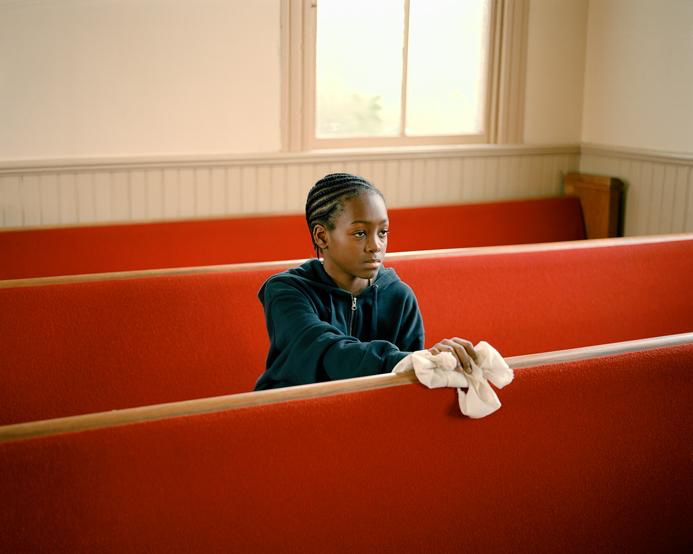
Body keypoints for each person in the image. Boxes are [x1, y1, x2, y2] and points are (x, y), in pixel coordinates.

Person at [254, 173, 476, 390]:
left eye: (383, 232)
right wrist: (416, 360)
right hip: (291, 416)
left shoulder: (399, 296)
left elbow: (405, 390)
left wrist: (430, 361)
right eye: (360, 233)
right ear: (322, 237)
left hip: (365, 420)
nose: (376, 246)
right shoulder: (286, 291)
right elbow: (328, 351)